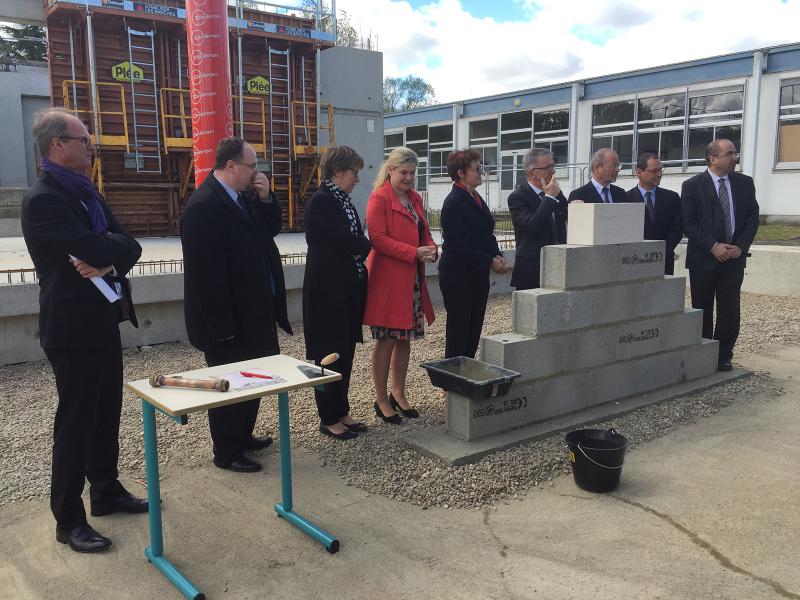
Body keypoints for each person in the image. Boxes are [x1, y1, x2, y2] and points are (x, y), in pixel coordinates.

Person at [21, 108, 147, 553]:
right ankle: (68, 519)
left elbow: (128, 243)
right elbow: (99, 243)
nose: (91, 146)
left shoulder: (86, 192)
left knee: (106, 412)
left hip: (101, 320)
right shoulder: (44, 199)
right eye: (83, 139)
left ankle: (106, 490)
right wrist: (109, 249)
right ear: (57, 145)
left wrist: (109, 257)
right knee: (75, 423)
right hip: (71, 329)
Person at [181, 137, 292, 472]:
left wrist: (266, 197)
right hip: (228, 320)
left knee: (252, 378)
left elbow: (269, 229)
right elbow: (204, 276)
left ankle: (243, 436)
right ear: (230, 166)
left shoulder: (244, 197)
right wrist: (222, 327)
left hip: (255, 311)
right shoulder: (204, 206)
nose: (256, 172)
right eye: (252, 166)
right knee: (229, 382)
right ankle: (226, 451)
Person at [363, 147, 437, 423]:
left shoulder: (414, 198)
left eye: (412, 173)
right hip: (388, 282)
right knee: (386, 340)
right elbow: (378, 240)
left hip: (411, 279)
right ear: (390, 170)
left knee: (405, 340)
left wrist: (430, 248)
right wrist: (414, 252)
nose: (408, 177)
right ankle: (381, 398)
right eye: (403, 172)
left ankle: (399, 392)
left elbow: (424, 232)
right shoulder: (379, 198)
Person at [303, 146, 372, 440]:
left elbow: (353, 239)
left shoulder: (341, 201)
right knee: (328, 356)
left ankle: (341, 410)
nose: (357, 179)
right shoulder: (322, 202)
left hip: (345, 291)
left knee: (345, 352)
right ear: (338, 171)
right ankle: (328, 417)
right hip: (326, 294)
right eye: (354, 172)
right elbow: (347, 241)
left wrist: (360, 243)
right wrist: (365, 244)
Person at [681, 139, 759, 372]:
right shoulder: (692, 186)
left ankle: (723, 355)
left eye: (735, 153)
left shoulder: (745, 183)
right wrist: (713, 246)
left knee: (729, 309)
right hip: (704, 260)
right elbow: (689, 223)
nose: (735, 157)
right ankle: (703, 352)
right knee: (702, 308)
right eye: (730, 153)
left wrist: (741, 247)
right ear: (713, 159)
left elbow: (752, 219)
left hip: (733, 260)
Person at [438, 149, 509, 359]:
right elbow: (460, 245)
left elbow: (486, 233)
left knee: (473, 328)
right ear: (461, 173)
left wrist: (497, 255)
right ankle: (450, 381)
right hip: (458, 276)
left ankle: (466, 372)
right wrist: (489, 261)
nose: (481, 173)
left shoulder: (475, 196)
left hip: (476, 274)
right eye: (477, 169)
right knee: (459, 330)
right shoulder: (454, 203)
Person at [508, 148, 567, 290]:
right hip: (532, 268)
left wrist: (576, 207)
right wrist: (549, 198)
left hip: (557, 263)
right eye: (547, 167)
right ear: (531, 172)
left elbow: (566, 216)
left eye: (553, 166)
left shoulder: (555, 192)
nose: (552, 171)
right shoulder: (518, 197)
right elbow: (532, 226)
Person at [625, 153, 683, 275]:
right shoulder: (626, 199)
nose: (659, 174)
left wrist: (661, 251)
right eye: (654, 171)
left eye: (661, 170)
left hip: (664, 261)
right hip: (634, 261)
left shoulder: (672, 198)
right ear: (639, 172)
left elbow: (677, 228)